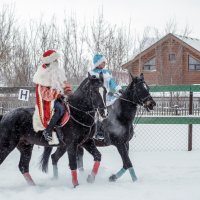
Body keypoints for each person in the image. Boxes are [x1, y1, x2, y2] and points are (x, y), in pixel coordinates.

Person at [33, 49, 72, 143]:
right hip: (48, 100)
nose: (57, 62)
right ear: (50, 62)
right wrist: (57, 94)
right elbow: (44, 93)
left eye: (57, 60)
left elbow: (64, 83)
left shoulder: (58, 72)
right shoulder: (42, 74)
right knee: (60, 109)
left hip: (59, 97)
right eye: (55, 60)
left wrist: (67, 90)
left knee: (71, 107)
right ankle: (48, 130)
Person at [90, 53, 123, 140]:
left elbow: (112, 83)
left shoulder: (107, 73)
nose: (105, 63)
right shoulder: (92, 73)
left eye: (105, 62)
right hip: (97, 98)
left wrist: (118, 89)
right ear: (98, 63)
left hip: (107, 97)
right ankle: (98, 131)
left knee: (116, 108)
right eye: (103, 62)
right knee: (98, 113)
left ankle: (117, 128)